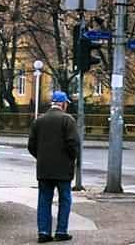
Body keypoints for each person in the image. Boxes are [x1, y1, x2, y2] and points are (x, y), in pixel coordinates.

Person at [28, 90, 79, 243]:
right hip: (63, 169)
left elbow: (31, 145)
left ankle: (43, 232)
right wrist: (71, 159)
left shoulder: (39, 121)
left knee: (44, 199)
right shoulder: (68, 120)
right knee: (65, 199)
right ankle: (61, 231)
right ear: (63, 104)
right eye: (66, 104)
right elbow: (73, 144)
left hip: (44, 169)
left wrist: (42, 157)